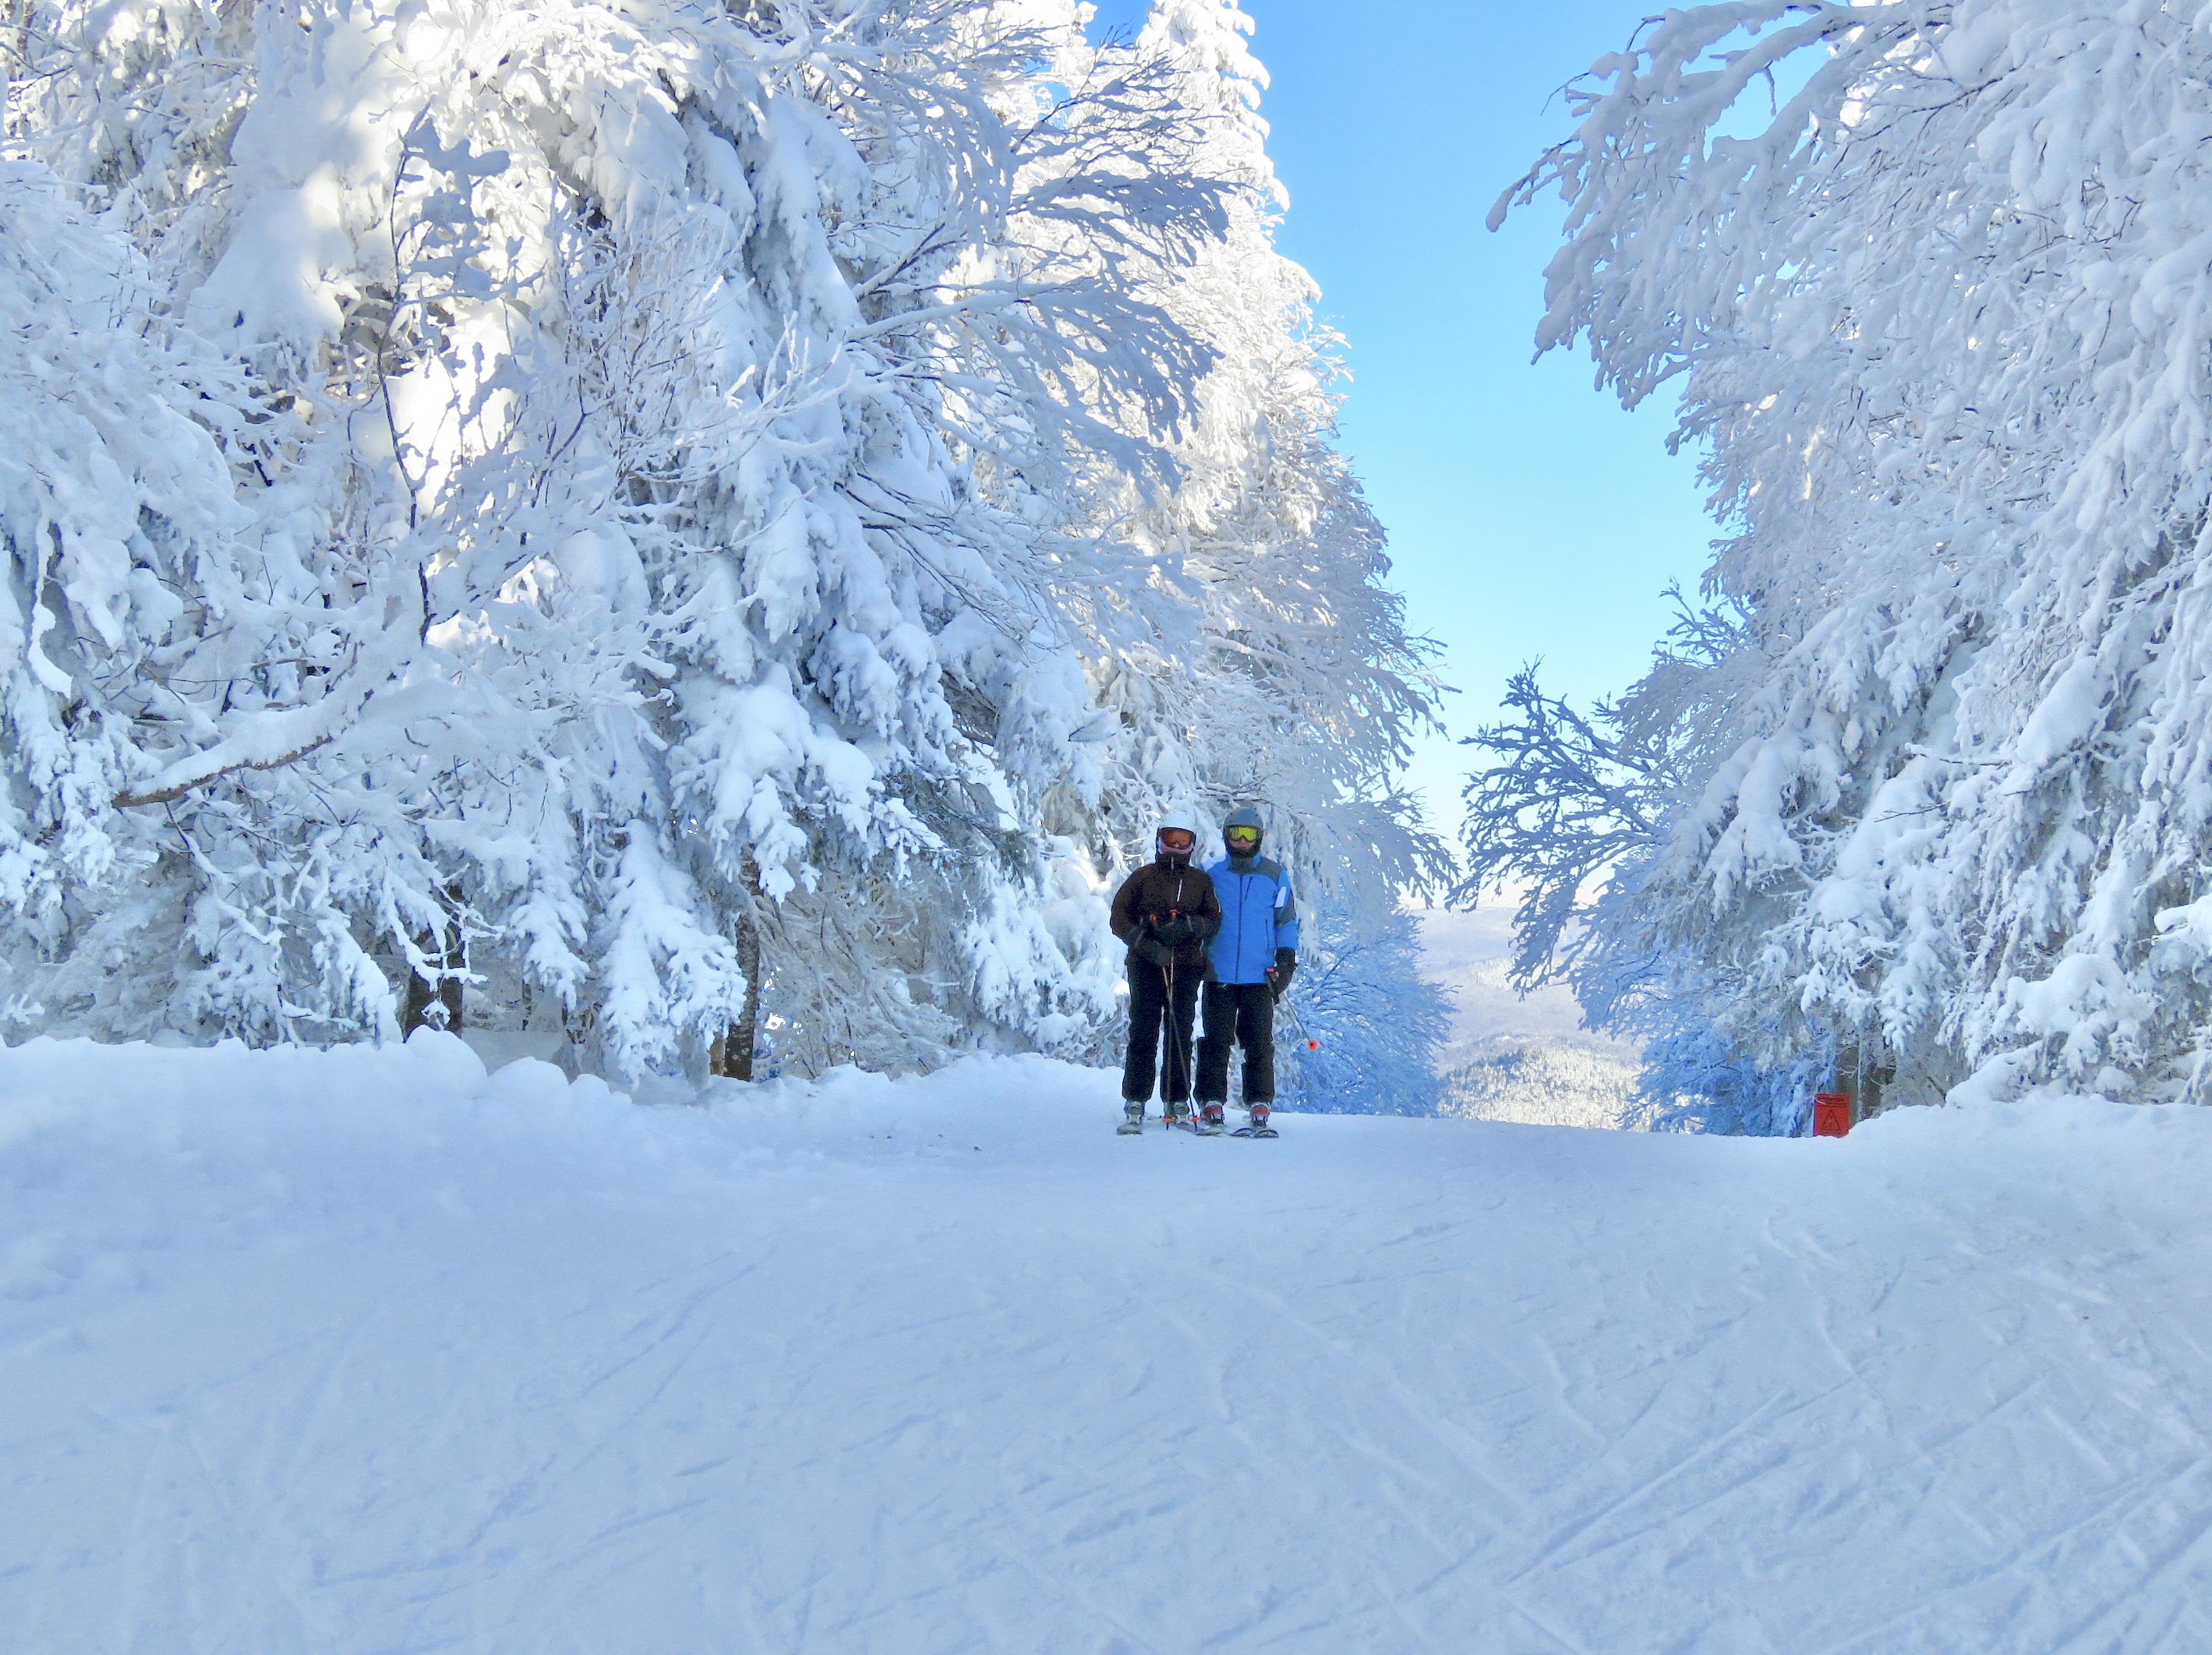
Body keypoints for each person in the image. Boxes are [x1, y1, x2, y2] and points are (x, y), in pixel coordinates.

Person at [1109, 809, 1221, 1130]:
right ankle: (1136, 1097)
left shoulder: (1200, 881)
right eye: (1170, 839)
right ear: (1160, 842)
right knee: (1143, 1030)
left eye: (1182, 841)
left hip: (1185, 966)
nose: (1176, 846)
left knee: (1179, 1031)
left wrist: (1189, 925)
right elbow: (1119, 917)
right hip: (1146, 965)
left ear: (1192, 844)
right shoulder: (1143, 877)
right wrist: (1146, 944)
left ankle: (1176, 1098)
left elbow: (1213, 919)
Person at [1195, 804, 1297, 1135]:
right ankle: (1211, 1101)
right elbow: (1200, 917)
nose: (1241, 841)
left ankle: (1259, 1102)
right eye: (1235, 834)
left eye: (1248, 835)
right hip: (1218, 972)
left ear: (1259, 838)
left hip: (1260, 975)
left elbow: (1286, 921)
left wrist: (1285, 960)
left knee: (1258, 1042)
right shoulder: (1212, 874)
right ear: (1226, 837)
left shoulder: (1273, 874)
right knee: (1215, 1042)